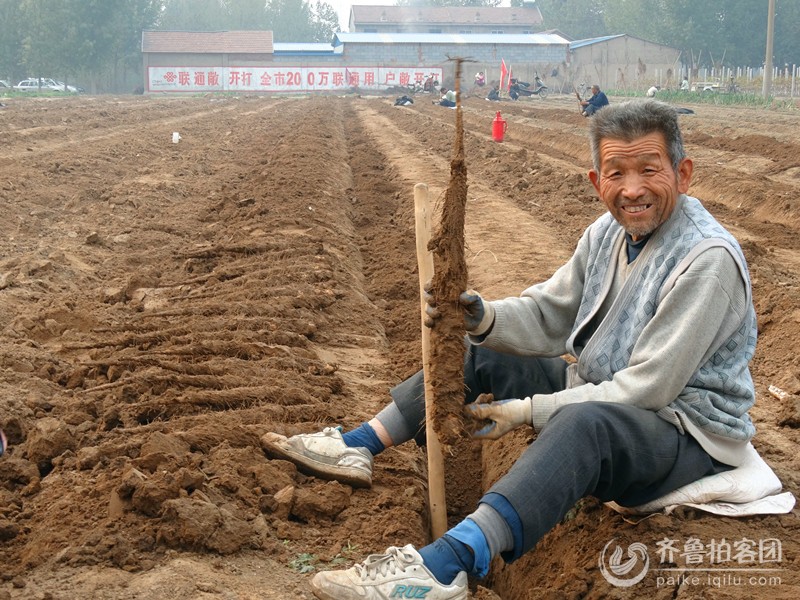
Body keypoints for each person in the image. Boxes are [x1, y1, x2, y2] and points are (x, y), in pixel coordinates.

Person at [263, 100, 758, 600]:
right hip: (608, 394)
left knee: (580, 424)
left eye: (649, 170)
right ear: (596, 181)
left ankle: (446, 565)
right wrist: (482, 317)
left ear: (683, 173)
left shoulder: (706, 259)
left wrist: (528, 411)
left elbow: (647, 389)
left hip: (686, 431)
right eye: (617, 173)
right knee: (487, 351)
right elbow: (550, 314)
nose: (633, 189)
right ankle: (358, 445)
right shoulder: (607, 234)